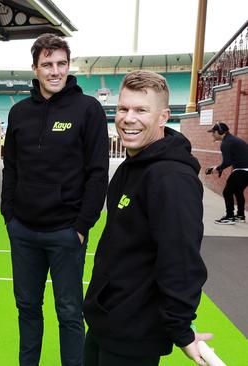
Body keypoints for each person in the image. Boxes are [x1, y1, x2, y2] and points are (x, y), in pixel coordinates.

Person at [83, 70, 210, 366]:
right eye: (123, 108)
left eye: (141, 110)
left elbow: (181, 260)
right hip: (107, 322)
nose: (128, 118)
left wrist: (181, 326)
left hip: (135, 334)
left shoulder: (172, 179)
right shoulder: (131, 166)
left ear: (164, 116)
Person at [1, 33, 109, 366]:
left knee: (69, 312)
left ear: (69, 65)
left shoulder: (88, 109)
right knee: (28, 309)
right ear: (34, 68)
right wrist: (10, 216)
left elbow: (97, 174)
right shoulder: (19, 113)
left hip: (66, 232)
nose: (55, 71)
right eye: (47, 64)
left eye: (61, 63)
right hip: (24, 232)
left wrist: (80, 226)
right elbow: (11, 168)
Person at [205, 121, 248, 224]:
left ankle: (229, 217)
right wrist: (218, 168)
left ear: (220, 132)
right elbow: (229, 161)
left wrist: (217, 168)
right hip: (244, 170)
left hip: (241, 170)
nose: (212, 134)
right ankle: (240, 215)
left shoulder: (226, 143)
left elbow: (227, 162)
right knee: (238, 191)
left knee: (227, 192)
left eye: (213, 132)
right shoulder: (232, 140)